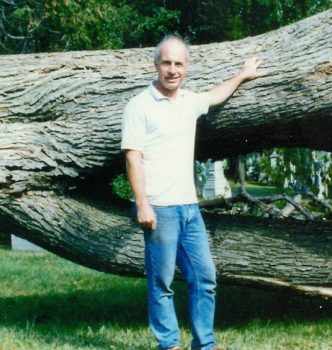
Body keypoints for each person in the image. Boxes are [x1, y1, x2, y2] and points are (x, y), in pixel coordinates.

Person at [120, 34, 264, 350]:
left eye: (179, 64)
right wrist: (142, 204)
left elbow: (214, 96)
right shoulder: (138, 106)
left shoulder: (188, 101)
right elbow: (132, 158)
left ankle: (204, 344)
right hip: (159, 208)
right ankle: (168, 344)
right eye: (167, 63)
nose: (173, 70)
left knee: (205, 277)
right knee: (161, 282)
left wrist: (242, 74)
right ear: (156, 64)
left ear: (186, 67)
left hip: (189, 208)